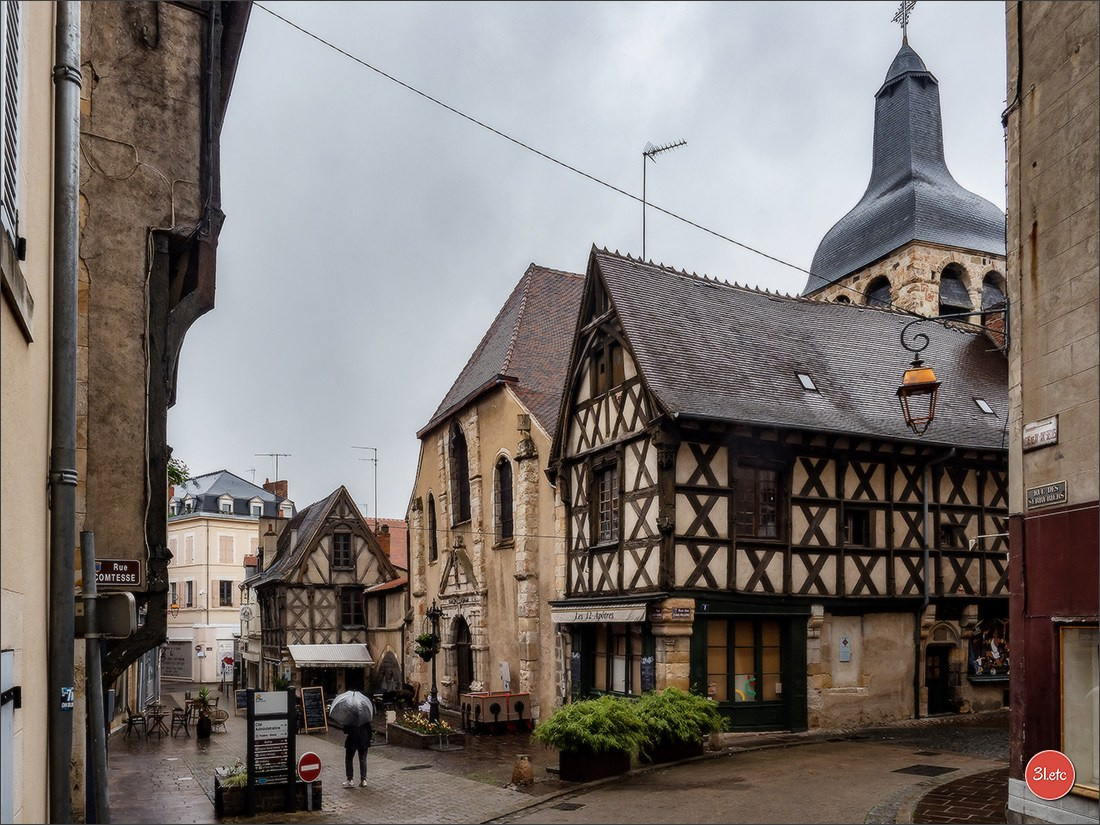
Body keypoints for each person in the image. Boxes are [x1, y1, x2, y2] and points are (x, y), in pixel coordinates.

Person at [342, 718, 372, 787]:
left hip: (352, 740)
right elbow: (369, 729)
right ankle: (363, 780)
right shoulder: (365, 716)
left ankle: (350, 779)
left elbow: (345, 730)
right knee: (363, 760)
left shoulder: (350, 717)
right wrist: (368, 738)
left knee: (349, 759)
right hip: (363, 740)